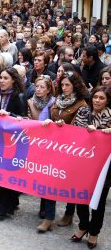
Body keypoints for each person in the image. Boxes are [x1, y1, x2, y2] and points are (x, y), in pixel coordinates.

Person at [40, 71, 88, 232]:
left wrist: (65, 128)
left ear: (75, 86)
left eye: (68, 85)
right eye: (62, 85)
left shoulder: (81, 104)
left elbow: (80, 130)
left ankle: (69, 213)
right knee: (49, 181)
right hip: (53, 147)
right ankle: (48, 217)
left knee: (69, 182)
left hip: (70, 150)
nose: (64, 87)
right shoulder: (57, 101)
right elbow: (52, 118)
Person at [70, 86, 111, 249]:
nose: (97, 100)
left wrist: (103, 132)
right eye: (95, 97)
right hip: (83, 164)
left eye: (101, 98)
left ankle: (94, 232)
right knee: (80, 198)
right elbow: (73, 132)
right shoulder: (82, 112)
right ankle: (82, 226)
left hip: (103, 168)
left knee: (99, 203)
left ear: (107, 100)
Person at [0, 68, 27, 220]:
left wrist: (10, 116)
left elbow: (25, 119)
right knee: (1, 173)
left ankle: (5, 207)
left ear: (13, 80)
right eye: (0, 78)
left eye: (5, 78)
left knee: (9, 173)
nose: (2, 81)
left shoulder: (18, 97)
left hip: (14, 142)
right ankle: (8, 204)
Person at [27, 75, 56, 230]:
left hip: (50, 146)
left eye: (42, 87)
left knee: (48, 178)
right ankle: (43, 206)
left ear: (49, 89)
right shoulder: (30, 101)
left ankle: (48, 213)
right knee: (40, 177)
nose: (38, 89)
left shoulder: (54, 103)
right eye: (37, 86)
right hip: (34, 143)